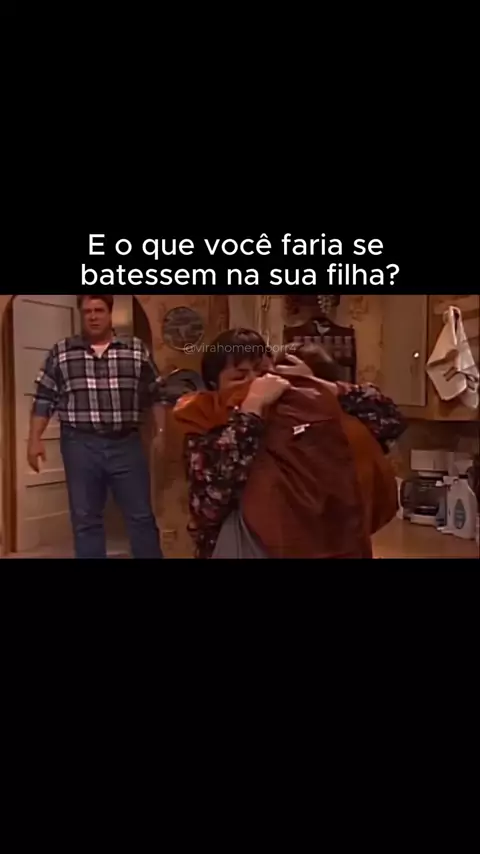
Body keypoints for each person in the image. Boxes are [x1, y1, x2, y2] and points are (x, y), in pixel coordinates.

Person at [175, 328, 406, 559]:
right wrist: (251, 411)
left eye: (262, 373)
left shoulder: (302, 408)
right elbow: (210, 502)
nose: (254, 382)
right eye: (239, 377)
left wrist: (315, 384)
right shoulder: (204, 420)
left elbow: (390, 420)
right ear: (214, 385)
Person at [28, 294, 165, 559]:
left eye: (99, 310)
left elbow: (156, 393)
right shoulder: (62, 352)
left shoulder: (135, 349)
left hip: (126, 444)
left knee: (140, 516)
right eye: (87, 311)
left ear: (109, 313)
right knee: (85, 519)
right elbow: (44, 397)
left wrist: (161, 433)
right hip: (80, 444)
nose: (93, 316)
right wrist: (35, 439)